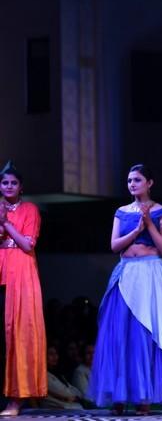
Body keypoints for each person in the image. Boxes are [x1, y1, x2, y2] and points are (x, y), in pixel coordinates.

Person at [89, 164, 162, 415]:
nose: (132, 184)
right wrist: (136, 230)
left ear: (149, 183)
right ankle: (118, 397)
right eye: (129, 180)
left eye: (137, 180)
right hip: (126, 273)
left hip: (150, 274)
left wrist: (148, 224)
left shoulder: (160, 211)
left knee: (144, 335)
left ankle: (143, 397)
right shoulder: (122, 212)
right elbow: (114, 245)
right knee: (120, 336)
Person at [0, 161, 47, 415]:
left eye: (13, 183)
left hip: (20, 273)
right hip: (1, 270)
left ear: (21, 187)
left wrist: (5, 223)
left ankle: (15, 399)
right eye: (4, 182)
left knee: (17, 335)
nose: (8, 186)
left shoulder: (30, 209)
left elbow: (28, 245)